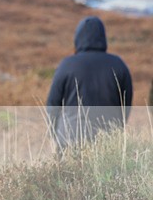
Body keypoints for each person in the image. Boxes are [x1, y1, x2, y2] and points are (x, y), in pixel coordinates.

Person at [46, 16, 133, 151]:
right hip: (108, 142)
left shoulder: (67, 65)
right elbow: (126, 105)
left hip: (69, 140)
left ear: (78, 38)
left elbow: (53, 104)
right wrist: (118, 130)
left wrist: (54, 134)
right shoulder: (118, 65)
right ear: (103, 37)